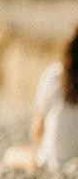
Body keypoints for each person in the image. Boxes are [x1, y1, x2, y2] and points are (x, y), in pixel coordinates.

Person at [28, 26, 78, 171]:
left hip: (54, 160)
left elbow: (38, 128)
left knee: (11, 154)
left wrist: (34, 157)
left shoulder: (55, 75)